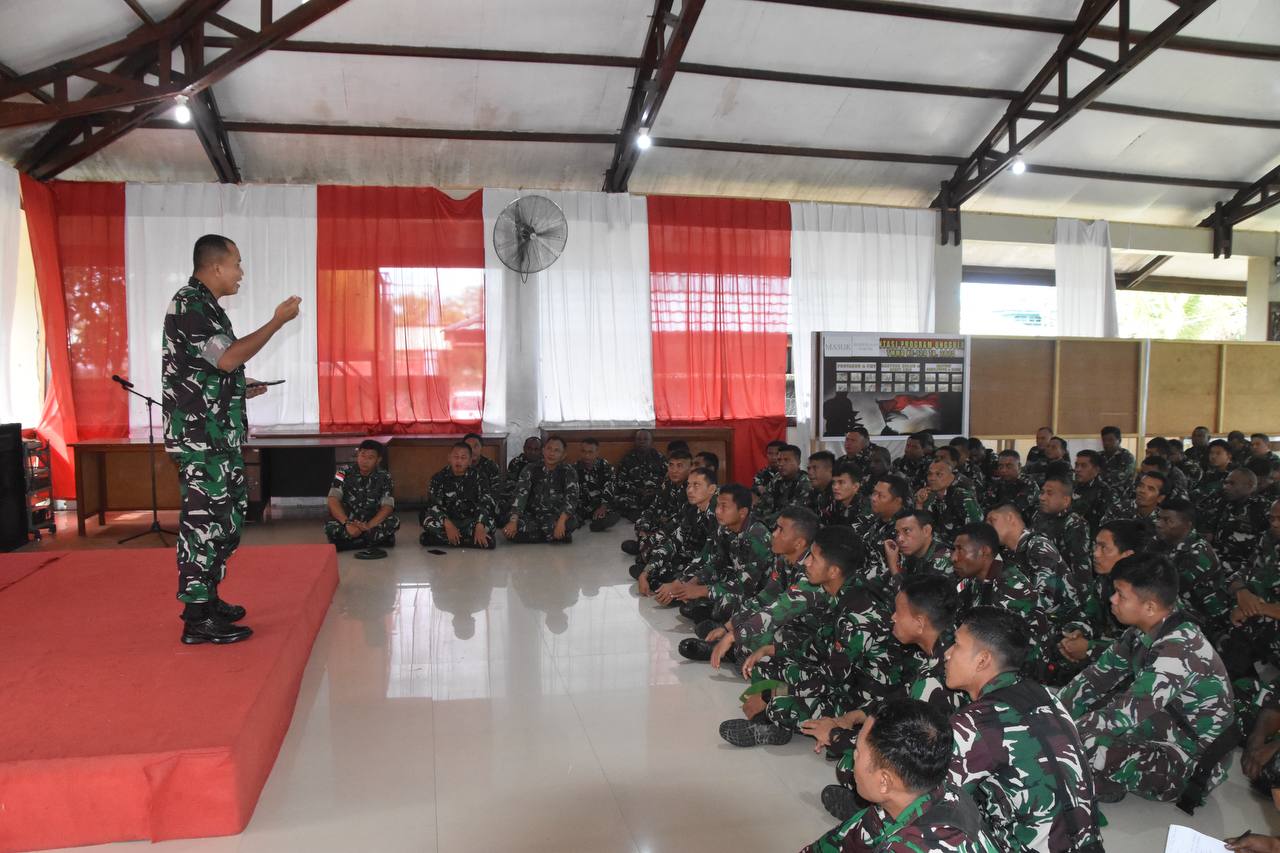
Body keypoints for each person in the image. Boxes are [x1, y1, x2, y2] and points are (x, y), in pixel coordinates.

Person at [163, 234, 300, 645]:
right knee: (203, 524)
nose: (241, 273)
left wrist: (240, 385)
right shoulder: (191, 304)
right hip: (200, 439)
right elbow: (228, 357)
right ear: (216, 267)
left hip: (217, 435)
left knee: (227, 518)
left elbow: (217, 367)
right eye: (237, 263)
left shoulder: (208, 308)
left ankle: (208, 598)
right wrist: (276, 322)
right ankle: (197, 618)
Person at [1059, 553, 1236, 809]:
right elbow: (1095, 678)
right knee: (1077, 717)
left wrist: (1054, 733)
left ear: (1150, 606)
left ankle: (1105, 781)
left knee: (1081, 742)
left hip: (1192, 757)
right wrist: (1050, 712)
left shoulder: (1180, 651)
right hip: (1164, 726)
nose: (1112, 599)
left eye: (1121, 594)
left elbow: (1122, 715)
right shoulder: (1143, 632)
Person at [945, 607, 1103, 853]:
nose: (947, 654)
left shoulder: (975, 722)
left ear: (983, 659)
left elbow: (931, 800)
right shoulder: (1046, 696)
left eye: (956, 645)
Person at [802, 699, 1001, 853]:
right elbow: (838, 843)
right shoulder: (922, 794)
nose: (853, 757)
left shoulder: (914, 845)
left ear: (884, 781)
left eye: (858, 752)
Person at [689, 505, 820, 664]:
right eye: (775, 528)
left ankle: (729, 650)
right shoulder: (783, 560)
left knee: (758, 640)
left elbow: (780, 609)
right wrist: (728, 627)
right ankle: (730, 646)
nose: (773, 534)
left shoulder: (814, 570)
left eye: (780, 530)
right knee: (748, 621)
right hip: (789, 621)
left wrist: (734, 635)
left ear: (799, 543)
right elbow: (765, 598)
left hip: (811, 633)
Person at [655, 483, 772, 626]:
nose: (717, 511)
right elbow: (717, 562)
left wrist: (701, 591)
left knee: (726, 604)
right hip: (736, 578)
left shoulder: (757, 536)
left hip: (761, 591)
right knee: (698, 587)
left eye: (724, 507)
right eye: (717, 505)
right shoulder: (724, 528)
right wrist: (693, 582)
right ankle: (706, 611)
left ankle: (715, 621)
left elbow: (745, 585)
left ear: (742, 512)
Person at [988, 503, 1084, 669]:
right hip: (1033, 630)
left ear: (1010, 518)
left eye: (992, 520)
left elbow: (1046, 601)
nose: (988, 528)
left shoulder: (1038, 545)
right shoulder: (1007, 555)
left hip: (1060, 634)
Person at [1056, 519, 1153, 678]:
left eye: (1104, 548)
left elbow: (1142, 649)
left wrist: (1089, 648)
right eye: (1095, 545)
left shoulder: (1145, 591)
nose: (1095, 553)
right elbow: (1090, 614)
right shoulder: (1105, 580)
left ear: (1127, 555)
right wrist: (1077, 633)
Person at [637, 465, 718, 596]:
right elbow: (674, 541)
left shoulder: (720, 513)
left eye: (696, 485)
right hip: (696, 555)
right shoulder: (692, 508)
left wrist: (679, 582)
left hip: (718, 564)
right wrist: (646, 572)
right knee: (656, 572)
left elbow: (709, 556)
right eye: (688, 485)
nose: (690, 490)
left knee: (670, 579)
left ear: (711, 489)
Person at [949, 522, 1042, 633]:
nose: (953, 557)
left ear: (984, 551)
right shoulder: (970, 581)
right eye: (954, 549)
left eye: (960, 550)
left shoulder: (1012, 590)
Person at [1154, 497, 1230, 633]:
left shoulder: (1197, 554)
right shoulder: (1163, 541)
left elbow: (1162, 589)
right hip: (1177, 609)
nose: (1159, 524)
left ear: (1187, 525)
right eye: (1158, 518)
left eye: (1167, 520)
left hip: (1204, 622)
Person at [325, 439, 401, 552]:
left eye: (370, 458)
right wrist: (347, 524)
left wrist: (369, 526)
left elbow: (387, 507)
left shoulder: (385, 477)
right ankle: (373, 540)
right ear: (358, 454)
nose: (364, 461)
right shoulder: (342, 472)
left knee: (394, 522)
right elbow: (332, 500)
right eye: (362, 455)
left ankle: (350, 543)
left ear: (378, 460)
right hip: (348, 519)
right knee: (330, 526)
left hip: (371, 520)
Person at [419, 441, 498, 549]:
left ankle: (440, 540)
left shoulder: (479, 477)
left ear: (470, 461)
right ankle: (469, 541)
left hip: (471, 520)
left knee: (490, 523)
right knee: (428, 521)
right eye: (455, 457)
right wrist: (448, 524)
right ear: (449, 458)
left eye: (463, 457)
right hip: (448, 520)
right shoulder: (438, 478)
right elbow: (433, 504)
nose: (459, 461)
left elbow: (486, 502)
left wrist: (480, 525)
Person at [503, 435, 579, 543]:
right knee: (509, 524)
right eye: (549, 449)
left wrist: (561, 522)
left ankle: (536, 536)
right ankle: (553, 536)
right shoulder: (530, 469)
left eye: (557, 450)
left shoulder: (568, 471)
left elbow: (571, 499)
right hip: (532, 516)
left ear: (563, 455)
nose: (551, 453)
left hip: (555, 516)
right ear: (543, 450)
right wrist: (513, 521)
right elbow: (520, 495)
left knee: (572, 522)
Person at [1031, 467, 1093, 584]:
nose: (1042, 497)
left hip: (1060, 586)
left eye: (1049, 493)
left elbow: (1080, 569)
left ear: (1065, 500)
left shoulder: (1074, 523)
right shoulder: (1038, 515)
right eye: (1042, 492)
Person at [1212, 469, 1270, 579]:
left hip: (1242, 567)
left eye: (1232, 483)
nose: (1226, 487)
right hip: (1218, 558)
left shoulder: (1263, 508)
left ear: (1249, 486)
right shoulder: (1224, 503)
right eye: (1225, 483)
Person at [855, 474, 910, 587]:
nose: (873, 498)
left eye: (881, 495)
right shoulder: (873, 520)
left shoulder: (905, 531)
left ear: (897, 501)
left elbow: (896, 575)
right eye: (874, 493)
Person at [914, 458, 982, 547]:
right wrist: (919, 504)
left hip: (961, 549)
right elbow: (922, 529)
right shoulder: (929, 496)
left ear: (951, 476)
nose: (932, 478)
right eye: (930, 474)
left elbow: (976, 532)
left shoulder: (962, 497)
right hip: (937, 549)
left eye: (939, 474)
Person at [883, 509, 952, 578]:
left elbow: (913, 589)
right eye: (897, 533)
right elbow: (880, 582)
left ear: (926, 531)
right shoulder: (910, 554)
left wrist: (893, 567)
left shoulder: (942, 558)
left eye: (906, 531)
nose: (899, 539)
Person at [756, 444, 812, 526]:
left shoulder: (805, 482)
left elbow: (791, 512)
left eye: (786, 460)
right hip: (771, 524)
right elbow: (763, 503)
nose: (781, 464)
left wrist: (764, 522)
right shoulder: (777, 479)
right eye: (779, 460)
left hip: (793, 526)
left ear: (798, 462)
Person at [615, 429, 666, 520]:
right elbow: (620, 482)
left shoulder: (659, 457)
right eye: (639, 439)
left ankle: (639, 513)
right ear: (635, 441)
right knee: (618, 499)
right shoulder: (627, 459)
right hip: (636, 495)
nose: (642, 441)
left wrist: (657, 491)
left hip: (655, 494)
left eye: (645, 439)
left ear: (651, 441)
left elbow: (669, 477)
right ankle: (645, 513)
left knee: (667, 499)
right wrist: (638, 491)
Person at [573, 437, 620, 532]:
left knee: (611, 510)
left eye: (590, 452)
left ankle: (599, 522)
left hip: (600, 502)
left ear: (597, 452)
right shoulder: (575, 468)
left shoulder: (604, 466)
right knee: (572, 516)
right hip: (583, 503)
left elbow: (610, 486)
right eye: (583, 451)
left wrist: (603, 506)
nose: (586, 455)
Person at [981, 449, 1040, 522]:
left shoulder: (1029, 484)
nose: (1003, 470)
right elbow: (986, 507)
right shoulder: (996, 484)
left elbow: (1015, 509)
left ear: (1019, 466)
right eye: (1000, 466)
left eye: (1009, 466)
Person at [1071, 450, 1115, 537]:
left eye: (1083, 466)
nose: (1078, 469)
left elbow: (1105, 524)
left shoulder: (1104, 491)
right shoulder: (1071, 486)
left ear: (1096, 470)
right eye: (1076, 465)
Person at [462, 432, 503, 496]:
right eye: (468, 447)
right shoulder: (457, 466)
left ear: (481, 448)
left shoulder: (490, 466)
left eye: (476, 446)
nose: (472, 450)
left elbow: (497, 491)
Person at [1099, 425, 1136, 492]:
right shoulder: (1098, 455)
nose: (1106, 443)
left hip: (1122, 496)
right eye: (1104, 440)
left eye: (1110, 440)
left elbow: (1119, 477)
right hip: (1101, 494)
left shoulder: (1127, 457)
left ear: (1119, 440)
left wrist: (1097, 475)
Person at [806, 451, 836, 517]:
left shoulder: (838, 493)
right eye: (808, 468)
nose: (810, 473)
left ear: (830, 470)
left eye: (815, 468)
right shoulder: (812, 493)